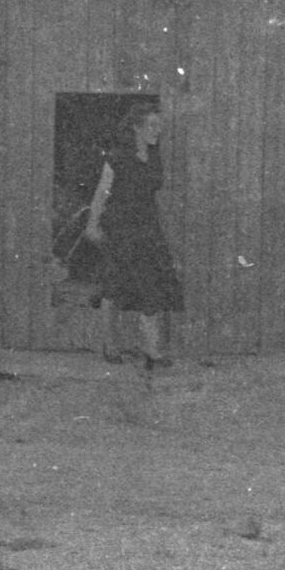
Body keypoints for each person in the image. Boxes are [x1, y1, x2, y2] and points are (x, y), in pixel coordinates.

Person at [83, 101, 184, 370]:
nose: (157, 130)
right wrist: (92, 224)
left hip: (147, 227)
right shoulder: (117, 157)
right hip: (121, 227)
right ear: (137, 127)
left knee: (152, 285)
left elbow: (154, 196)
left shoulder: (154, 157)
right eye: (152, 125)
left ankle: (151, 350)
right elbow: (101, 193)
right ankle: (111, 345)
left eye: (159, 125)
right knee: (115, 286)